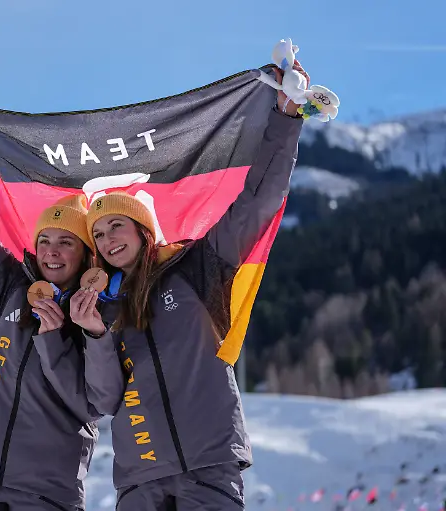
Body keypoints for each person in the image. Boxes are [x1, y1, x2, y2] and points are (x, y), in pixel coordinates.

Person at [71, 62, 309, 510]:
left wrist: (286, 118)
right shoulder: (101, 308)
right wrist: (95, 336)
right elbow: (104, 399)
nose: (106, 241)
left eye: (116, 226)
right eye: (98, 235)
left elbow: (258, 201)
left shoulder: (196, 268)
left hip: (208, 467)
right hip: (139, 481)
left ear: (144, 231)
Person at [0, 100, 105, 511]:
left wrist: (68, 336)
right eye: (45, 240)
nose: (52, 252)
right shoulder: (9, 284)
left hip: (48, 491)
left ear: (85, 253)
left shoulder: (99, 308)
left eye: (66, 242)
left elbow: (94, 402)